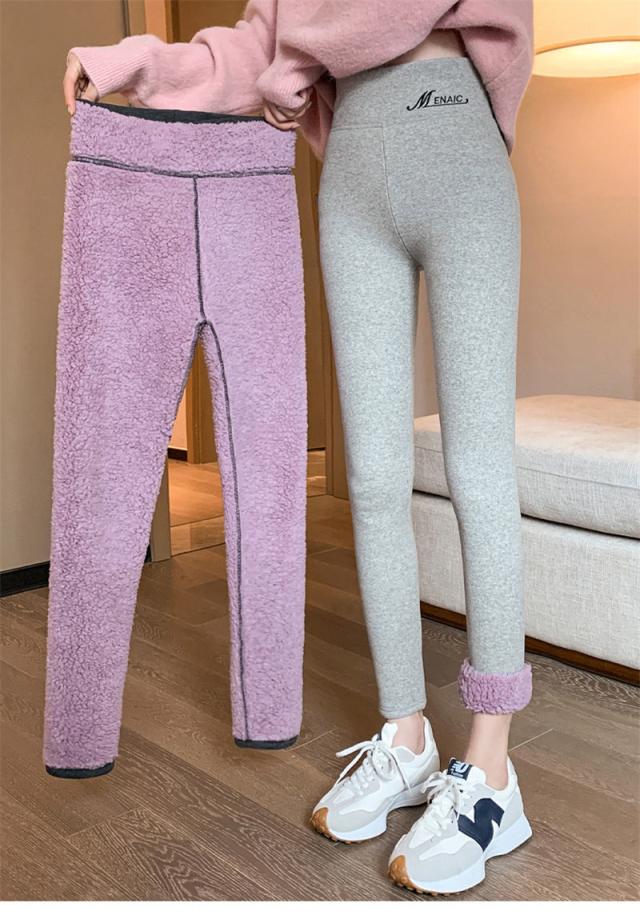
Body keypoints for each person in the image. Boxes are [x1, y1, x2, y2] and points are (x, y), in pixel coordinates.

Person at [62, 0, 535, 896]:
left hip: (455, 145)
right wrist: (131, 66)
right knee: (371, 477)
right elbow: (253, 51)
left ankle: (493, 768)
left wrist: (308, 52)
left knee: (477, 468)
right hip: (350, 171)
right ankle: (405, 734)